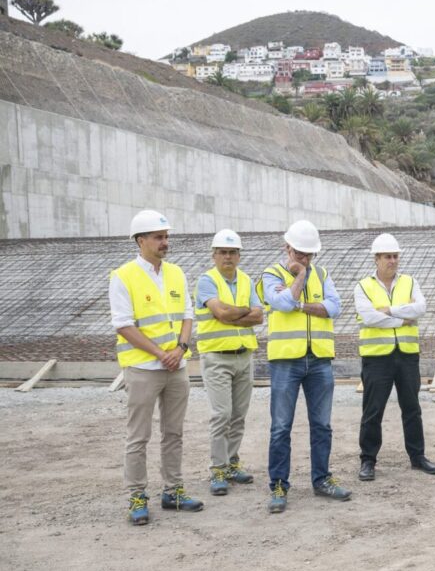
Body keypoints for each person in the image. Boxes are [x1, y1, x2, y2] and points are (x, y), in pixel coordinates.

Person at [109, 209, 203, 526]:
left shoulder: (176, 273)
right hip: (143, 369)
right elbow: (124, 325)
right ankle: (137, 496)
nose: (165, 242)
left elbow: (187, 315)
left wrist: (180, 349)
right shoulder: (123, 276)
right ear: (141, 240)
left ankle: (173, 491)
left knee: (174, 432)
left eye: (166, 236)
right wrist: (161, 354)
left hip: (176, 366)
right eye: (159, 237)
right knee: (138, 436)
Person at [259, 219, 350, 513]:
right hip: (286, 360)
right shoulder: (271, 274)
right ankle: (278, 485)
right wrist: (298, 276)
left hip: (319, 359)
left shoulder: (322, 274)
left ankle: (321, 479)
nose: (305, 259)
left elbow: (334, 307)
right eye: (300, 253)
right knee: (281, 427)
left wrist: (300, 304)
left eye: (309, 254)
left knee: (322, 425)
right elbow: (282, 303)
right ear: (287, 248)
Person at [354, 233, 435, 481]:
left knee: (412, 408)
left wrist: (389, 310)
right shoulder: (363, 286)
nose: (392, 260)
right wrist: (403, 318)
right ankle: (368, 460)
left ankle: (417, 456)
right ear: (376, 258)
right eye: (387, 257)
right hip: (376, 358)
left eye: (395, 256)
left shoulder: (410, 282)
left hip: (407, 355)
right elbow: (369, 317)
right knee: (373, 410)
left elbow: (420, 308)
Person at [194, 229, 263, 496]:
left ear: (239, 255)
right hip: (217, 357)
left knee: (238, 416)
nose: (228, 257)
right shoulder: (206, 281)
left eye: (232, 252)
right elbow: (220, 312)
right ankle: (218, 469)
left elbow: (259, 317)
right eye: (223, 252)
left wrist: (234, 314)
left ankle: (232, 463)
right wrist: (243, 311)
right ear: (214, 255)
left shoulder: (246, 280)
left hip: (243, 356)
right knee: (221, 415)